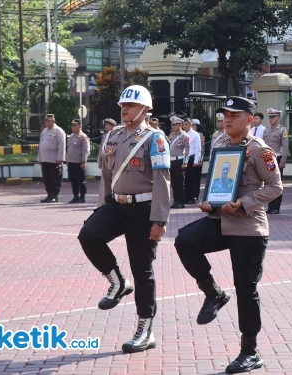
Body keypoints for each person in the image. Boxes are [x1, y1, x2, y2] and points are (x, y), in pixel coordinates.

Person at [174, 96, 282, 374]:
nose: (228, 119)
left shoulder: (260, 150)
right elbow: (216, 183)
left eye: (235, 115)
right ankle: (213, 293)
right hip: (220, 220)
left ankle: (250, 352)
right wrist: (208, 201)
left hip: (248, 227)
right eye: (226, 115)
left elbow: (275, 187)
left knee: (246, 290)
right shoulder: (221, 145)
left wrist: (244, 203)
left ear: (249, 119)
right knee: (185, 241)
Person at [77, 85, 171, 354]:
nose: (124, 109)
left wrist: (160, 220)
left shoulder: (155, 138)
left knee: (143, 271)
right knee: (89, 235)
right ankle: (117, 282)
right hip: (116, 204)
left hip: (144, 210)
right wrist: (100, 207)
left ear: (145, 109)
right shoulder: (112, 137)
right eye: (122, 106)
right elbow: (107, 176)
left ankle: (145, 330)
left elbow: (163, 181)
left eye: (130, 105)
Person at [262, 108, 288, 214]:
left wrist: (283, 160)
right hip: (267, 158)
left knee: (276, 182)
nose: (271, 119)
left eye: (273, 117)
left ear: (278, 117)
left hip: (277, 157)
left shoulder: (282, 130)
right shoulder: (266, 130)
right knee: (268, 183)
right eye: (270, 117)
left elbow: (285, 146)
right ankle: (270, 206)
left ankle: (276, 207)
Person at [38, 114, 66, 203]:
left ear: (53, 121)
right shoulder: (45, 131)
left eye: (49, 121)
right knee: (47, 179)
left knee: (54, 178)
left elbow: (61, 145)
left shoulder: (59, 131)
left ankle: (55, 196)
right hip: (45, 159)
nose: (47, 123)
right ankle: (49, 195)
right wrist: (40, 158)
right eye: (46, 121)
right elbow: (41, 145)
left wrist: (60, 158)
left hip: (54, 160)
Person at [168, 116, 190, 209]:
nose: (173, 126)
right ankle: (176, 201)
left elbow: (188, 149)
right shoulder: (171, 135)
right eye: (172, 124)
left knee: (180, 182)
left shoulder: (184, 136)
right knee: (174, 183)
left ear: (180, 125)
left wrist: (185, 162)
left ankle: (181, 202)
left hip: (179, 161)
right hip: (172, 160)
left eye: (175, 124)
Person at [66, 119, 89, 204]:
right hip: (71, 162)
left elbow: (85, 150)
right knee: (73, 180)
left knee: (81, 181)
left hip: (79, 163)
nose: (73, 127)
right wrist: (67, 161)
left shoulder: (83, 137)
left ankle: (82, 197)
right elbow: (68, 150)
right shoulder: (71, 136)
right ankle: (75, 196)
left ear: (80, 126)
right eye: (72, 125)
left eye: (75, 125)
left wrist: (83, 161)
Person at [183, 118, 202, 204]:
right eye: (183, 124)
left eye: (186, 124)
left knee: (191, 179)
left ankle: (192, 197)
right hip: (184, 158)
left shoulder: (195, 134)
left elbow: (198, 148)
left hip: (191, 157)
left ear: (190, 125)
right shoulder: (182, 134)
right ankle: (186, 196)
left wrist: (196, 160)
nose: (185, 126)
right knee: (185, 179)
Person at [192, 119, 205, 201]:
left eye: (194, 125)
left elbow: (202, 148)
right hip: (190, 158)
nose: (192, 127)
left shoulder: (200, 135)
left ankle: (195, 194)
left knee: (196, 177)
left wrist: (200, 160)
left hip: (198, 158)